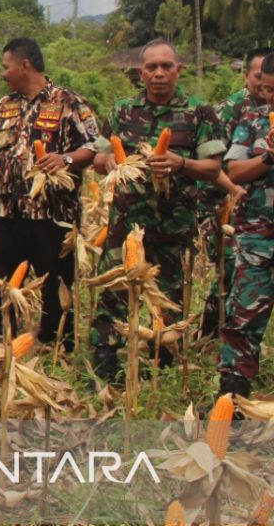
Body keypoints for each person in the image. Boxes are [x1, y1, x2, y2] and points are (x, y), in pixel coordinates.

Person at [90, 40, 225, 381]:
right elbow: (98, 158)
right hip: (125, 224)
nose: (159, 73)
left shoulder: (198, 113)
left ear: (179, 70)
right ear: (141, 73)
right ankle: (105, 364)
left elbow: (212, 168)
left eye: (167, 66)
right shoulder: (122, 111)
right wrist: (114, 162)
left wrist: (181, 163)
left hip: (173, 228)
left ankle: (161, 366)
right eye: (152, 67)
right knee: (113, 293)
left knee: (166, 298)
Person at [0, 37, 98, 346]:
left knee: (54, 278)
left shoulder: (69, 102)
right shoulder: (5, 105)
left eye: (6, 66)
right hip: (6, 209)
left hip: (52, 212)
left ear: (24, 64)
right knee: (0, 276)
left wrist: (65, 159)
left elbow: (93, 147)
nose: (2, 73)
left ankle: (55, 341)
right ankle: (1, 336)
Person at [199, 47, 271, 336]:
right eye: (258, 79)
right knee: (228, 265)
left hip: (252, 205)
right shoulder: (231, 111)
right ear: (247, 75)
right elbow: (216, 165)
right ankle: (212, 331)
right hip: (217, 200)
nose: (263, 87)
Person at [217, 52, 274, 398]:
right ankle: (233, 400)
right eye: (267, 90)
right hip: (257, 236)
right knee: (243, 319)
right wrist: (267, 157)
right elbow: (234, 171)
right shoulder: (253, 120)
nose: (271, 98)